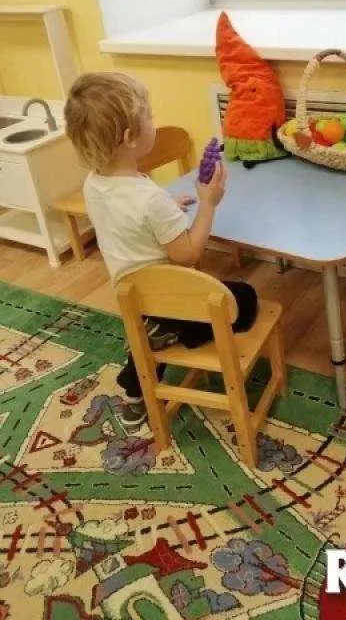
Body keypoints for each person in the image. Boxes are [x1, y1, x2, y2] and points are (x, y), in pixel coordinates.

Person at [64, 72, 258, 426]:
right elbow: (188, 254)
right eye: (149, 116)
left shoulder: (94, 183)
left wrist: (167, 206)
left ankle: (136, 393)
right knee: (244, 299)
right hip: (170, 297)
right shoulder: (149, 200)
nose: (154, 121)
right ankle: (174, 333)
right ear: (129, 138)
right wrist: (208, 203)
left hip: (133, 295)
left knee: (153, 321)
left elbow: (128, 215)